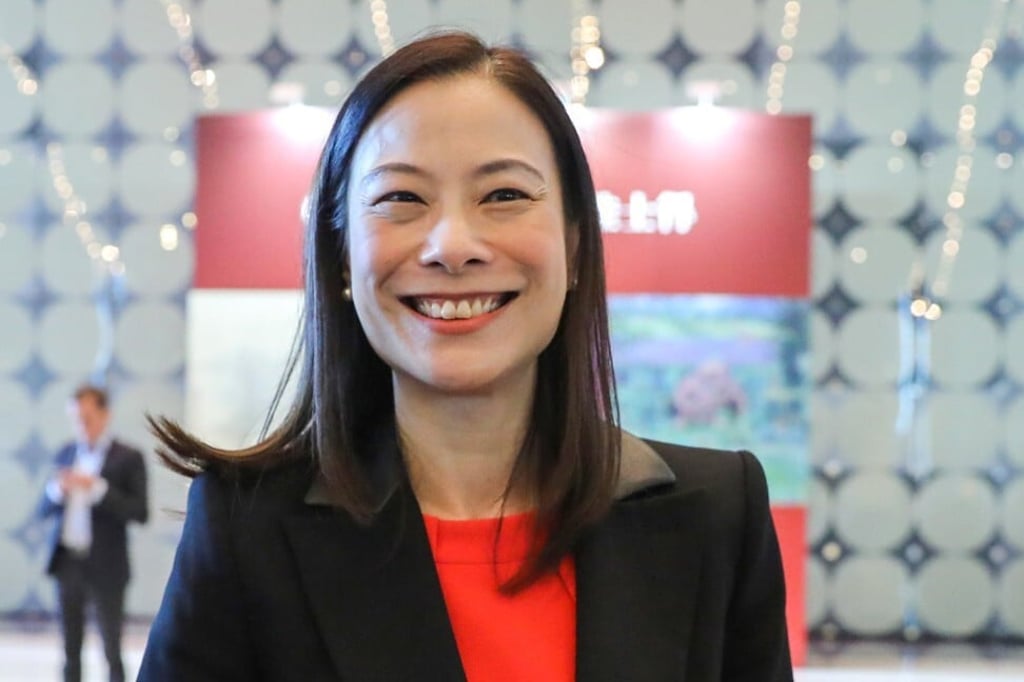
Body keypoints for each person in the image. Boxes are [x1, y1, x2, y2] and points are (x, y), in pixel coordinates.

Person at [139, 31, 792, 681]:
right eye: (401, 199)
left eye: (503, 195)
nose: (452, 245)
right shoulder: (247, 530)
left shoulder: (716, 514)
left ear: (574, 244)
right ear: (342, 257)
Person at [39, 384, 149, 682]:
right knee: (69, 648)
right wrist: (56, 491)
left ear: (105, 415)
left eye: (86, 417)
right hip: (67, 562)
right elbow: (42, 510)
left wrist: (98, 489)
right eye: (75, 418)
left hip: (107, 565)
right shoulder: (65, 453)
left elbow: (140, 512)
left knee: (112, 647)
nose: (80, 425)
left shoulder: (127, 457)